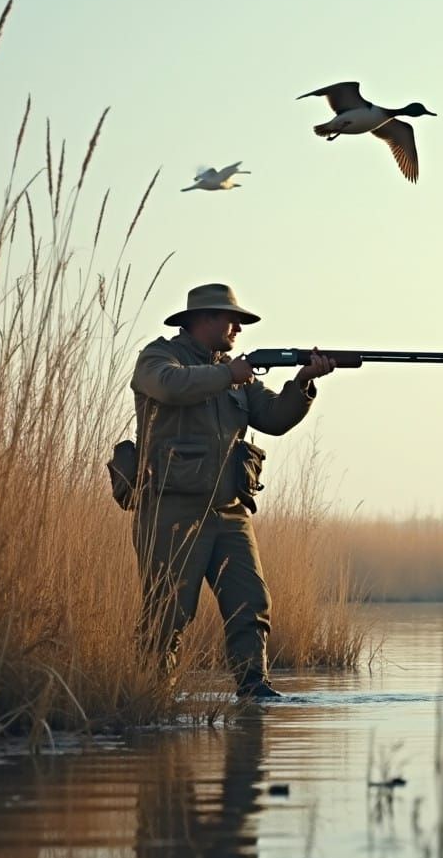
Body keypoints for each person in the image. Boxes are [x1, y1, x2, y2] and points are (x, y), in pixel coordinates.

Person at [129, 282, 336, 699]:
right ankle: (152, 694)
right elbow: (168, 385)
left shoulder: (238, 374)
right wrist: (227, 374)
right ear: (203, 319)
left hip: (230, 511)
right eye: (231, 319)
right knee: (168, 610)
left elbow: (275, 418)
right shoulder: (159, 357)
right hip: (173, 509)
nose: (238, 328)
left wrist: (304, 383)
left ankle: (254, 687)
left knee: (251, 602)